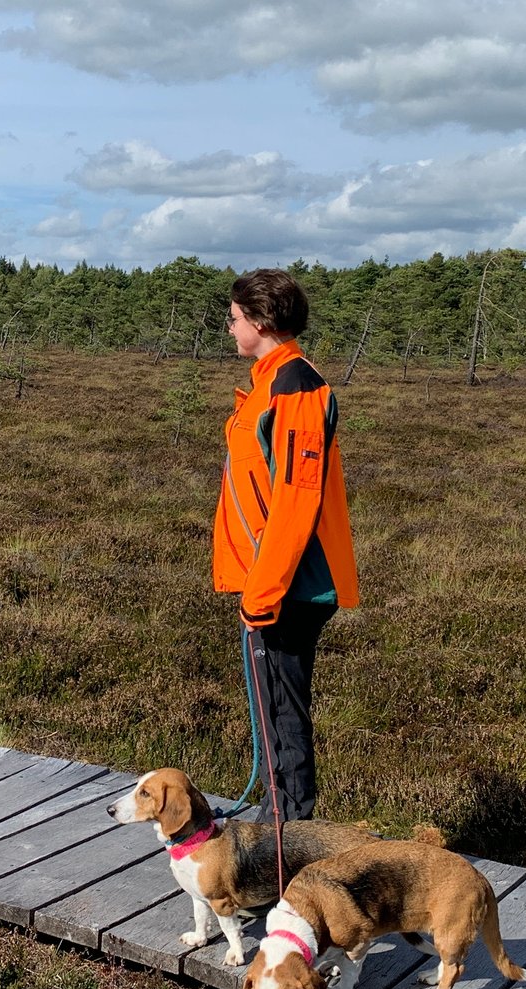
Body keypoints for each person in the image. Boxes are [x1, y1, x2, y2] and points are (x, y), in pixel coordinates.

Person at [213, 268, 359, 822]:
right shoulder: (269, 383)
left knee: (285, 717)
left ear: (259, 320)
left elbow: (296, 501)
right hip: (271, 581)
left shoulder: (294, 386)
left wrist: (263, 592)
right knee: (275, 715)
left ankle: (290, 850)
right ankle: (281, 833)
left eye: (233, 319)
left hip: (288, 586)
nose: (229, 329)